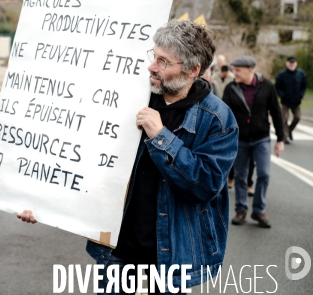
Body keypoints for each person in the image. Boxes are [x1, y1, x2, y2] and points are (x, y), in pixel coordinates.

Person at [19, 20, 239, 293]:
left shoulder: (217, 118)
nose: (152, 66)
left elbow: (205, 185)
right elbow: (83, 158)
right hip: (119, 248)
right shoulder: (129, 98)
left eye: (163, 61)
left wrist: (161, 136)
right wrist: (41, 203)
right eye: (153, 55)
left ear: (193, 70)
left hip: (173, 255)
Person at [222, 56, 284, 229]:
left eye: (238, 70)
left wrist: (280, 139)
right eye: (234, 70)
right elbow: (225, 115)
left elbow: (276, 112)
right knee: (241, 176)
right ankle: (240, 210)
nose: (235, 74)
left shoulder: (267, 86)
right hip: (240, 140)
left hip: (261, 138)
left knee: (264, 174)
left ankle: (258, 210)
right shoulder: (231, 88)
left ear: (250, 70)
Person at [275, 56, 308, 144]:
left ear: (296, 63)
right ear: (287, 63)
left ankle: (289, 130)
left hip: (296, 101)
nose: (292, 64)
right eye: (290, 62)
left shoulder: (301, 74)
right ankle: (285, 136)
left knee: (297, 117)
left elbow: (304, 86)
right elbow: (277, 87)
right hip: (285, 101)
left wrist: (301, 95)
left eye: (293, 62)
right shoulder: (281, 74)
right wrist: (282, 95)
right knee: (284, 119)